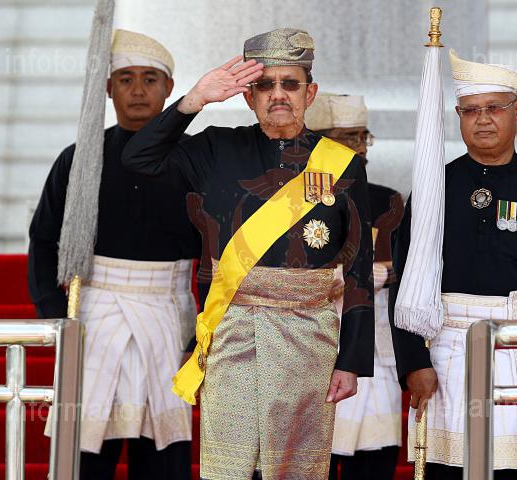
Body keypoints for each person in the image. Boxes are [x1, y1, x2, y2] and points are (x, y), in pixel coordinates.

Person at [121, 28, 375, 480]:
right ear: (248, 96)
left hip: (308, 338)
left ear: (310, 92)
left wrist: (351, 361)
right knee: (231, 467)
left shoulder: (342, 163)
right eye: (264, 85)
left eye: (290, 84)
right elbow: (138, 158)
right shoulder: (215, 148)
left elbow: (359, 270)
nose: (278, 94)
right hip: (232, 331)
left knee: (295, 469)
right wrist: (193, 101)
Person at [389, 50, 517, 479]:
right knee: (449, 468)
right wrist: (413, 363)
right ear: (459, 116)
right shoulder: (434, 186)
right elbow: (406, 281)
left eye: (494, 108)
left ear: (516, 112)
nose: (482, 120)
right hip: (449, 351)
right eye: (471, 110)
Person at [28, 29, 200, 480]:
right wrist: (58, 318)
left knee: (162, 458)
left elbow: (221, 253)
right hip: (95, 317)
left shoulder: (195, 160)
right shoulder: (78, 159)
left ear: (169, 87)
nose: (138, 90)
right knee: (84, 454)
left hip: (168, 317)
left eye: (150, 79)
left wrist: (203, 331)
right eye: (126, 79)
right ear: (108, 88)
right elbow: (43, 239)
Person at [304, 92, 403, 480]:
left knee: (376, 457)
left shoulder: (386, 200)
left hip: (374, 349)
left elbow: (398, 269)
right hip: (309, 345)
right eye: (348, 137)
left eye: (363, 136)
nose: (360, 147)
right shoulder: (289, 200)